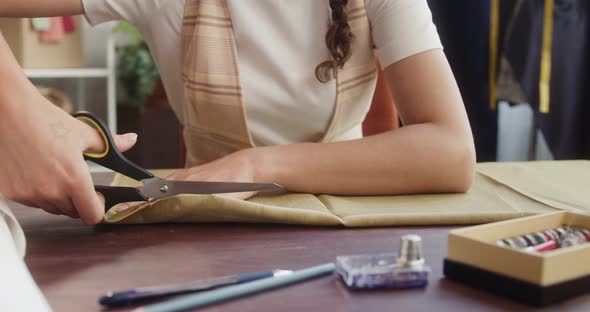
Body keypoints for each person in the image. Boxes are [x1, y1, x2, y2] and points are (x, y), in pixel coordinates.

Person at [0, 0, 476, 225]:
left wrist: (257, 165)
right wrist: (19, 111)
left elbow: (450, 152)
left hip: (352, 228)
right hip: (207, 233)